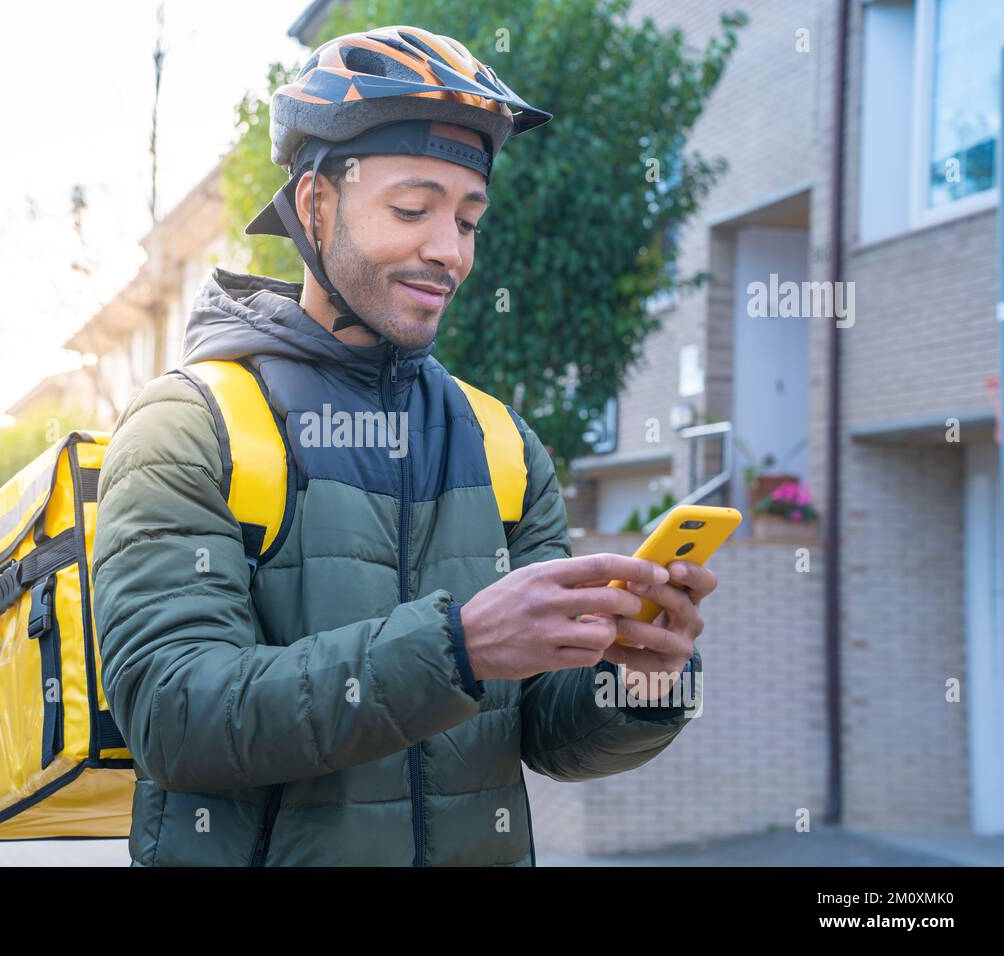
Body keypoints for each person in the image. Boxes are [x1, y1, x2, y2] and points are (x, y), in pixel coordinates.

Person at [94, 24, 717, 867]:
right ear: (315, 203)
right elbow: (175, 718)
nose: (449, 251)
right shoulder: (191, 424)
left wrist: (638, 681)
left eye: (468, 219)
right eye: (413, 209)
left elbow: (547, 736)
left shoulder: (500, 443)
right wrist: (457, 648)